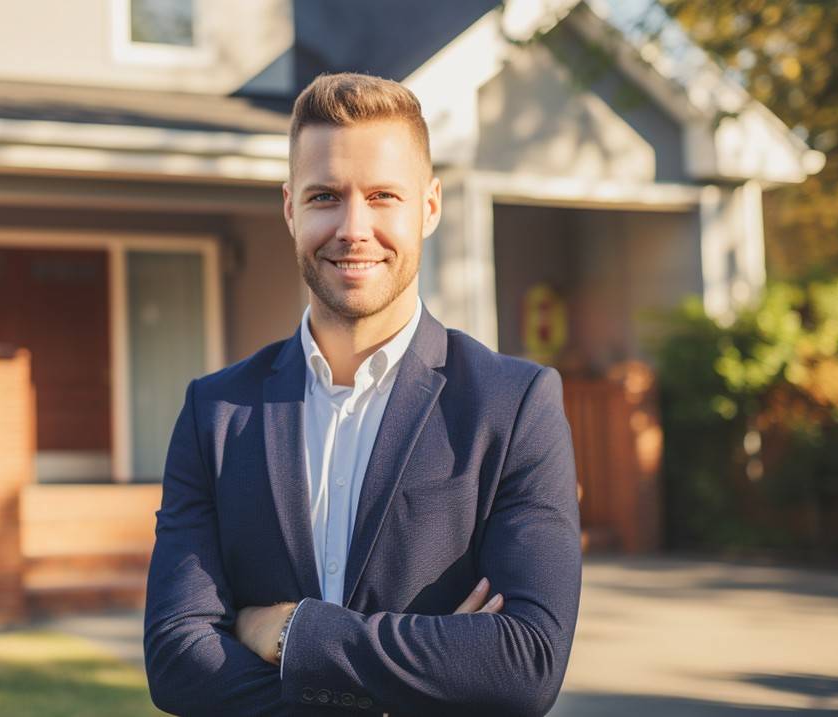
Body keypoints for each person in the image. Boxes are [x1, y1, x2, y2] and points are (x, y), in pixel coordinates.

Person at [143, 72, 582, 716]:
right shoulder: (217, 414)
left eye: (382, 195)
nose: (354, 227)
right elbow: (178, 663)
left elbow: (525, 663)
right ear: (291, 209)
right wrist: (425, 677)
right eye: (325, 196)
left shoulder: (515, 406)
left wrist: (289, 633)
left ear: (428, 206)